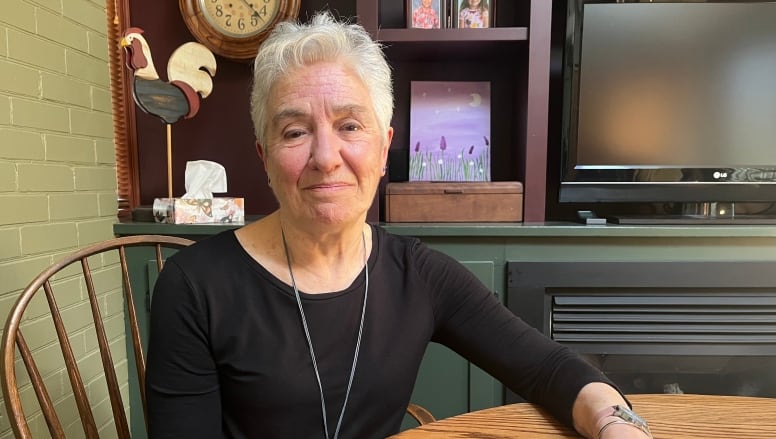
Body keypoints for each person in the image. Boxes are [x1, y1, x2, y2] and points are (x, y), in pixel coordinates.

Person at [145, 11, 653, 439]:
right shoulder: (194, 287)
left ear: (384, 147)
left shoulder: (421, 276)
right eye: (296, 131)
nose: (326, 157)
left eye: (349, 126)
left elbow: (549, 369)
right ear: (264, 156)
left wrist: (618, 425)